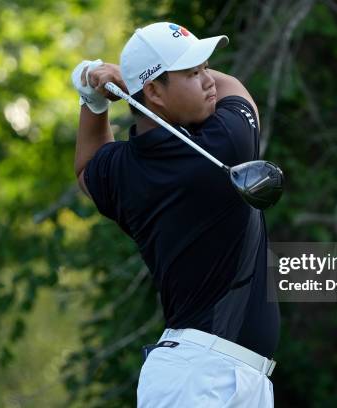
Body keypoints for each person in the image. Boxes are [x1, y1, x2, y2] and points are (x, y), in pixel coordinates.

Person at [71, 22, 280, 407]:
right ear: (154, 92)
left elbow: (87, 168)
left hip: (209, 374)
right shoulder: (221, 146)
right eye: (192, 72)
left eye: (204, 67)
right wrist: (123, 78)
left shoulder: (123, 171)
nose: (208, 81)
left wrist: (93, 101)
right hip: (201, 376)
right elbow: (237, 89)